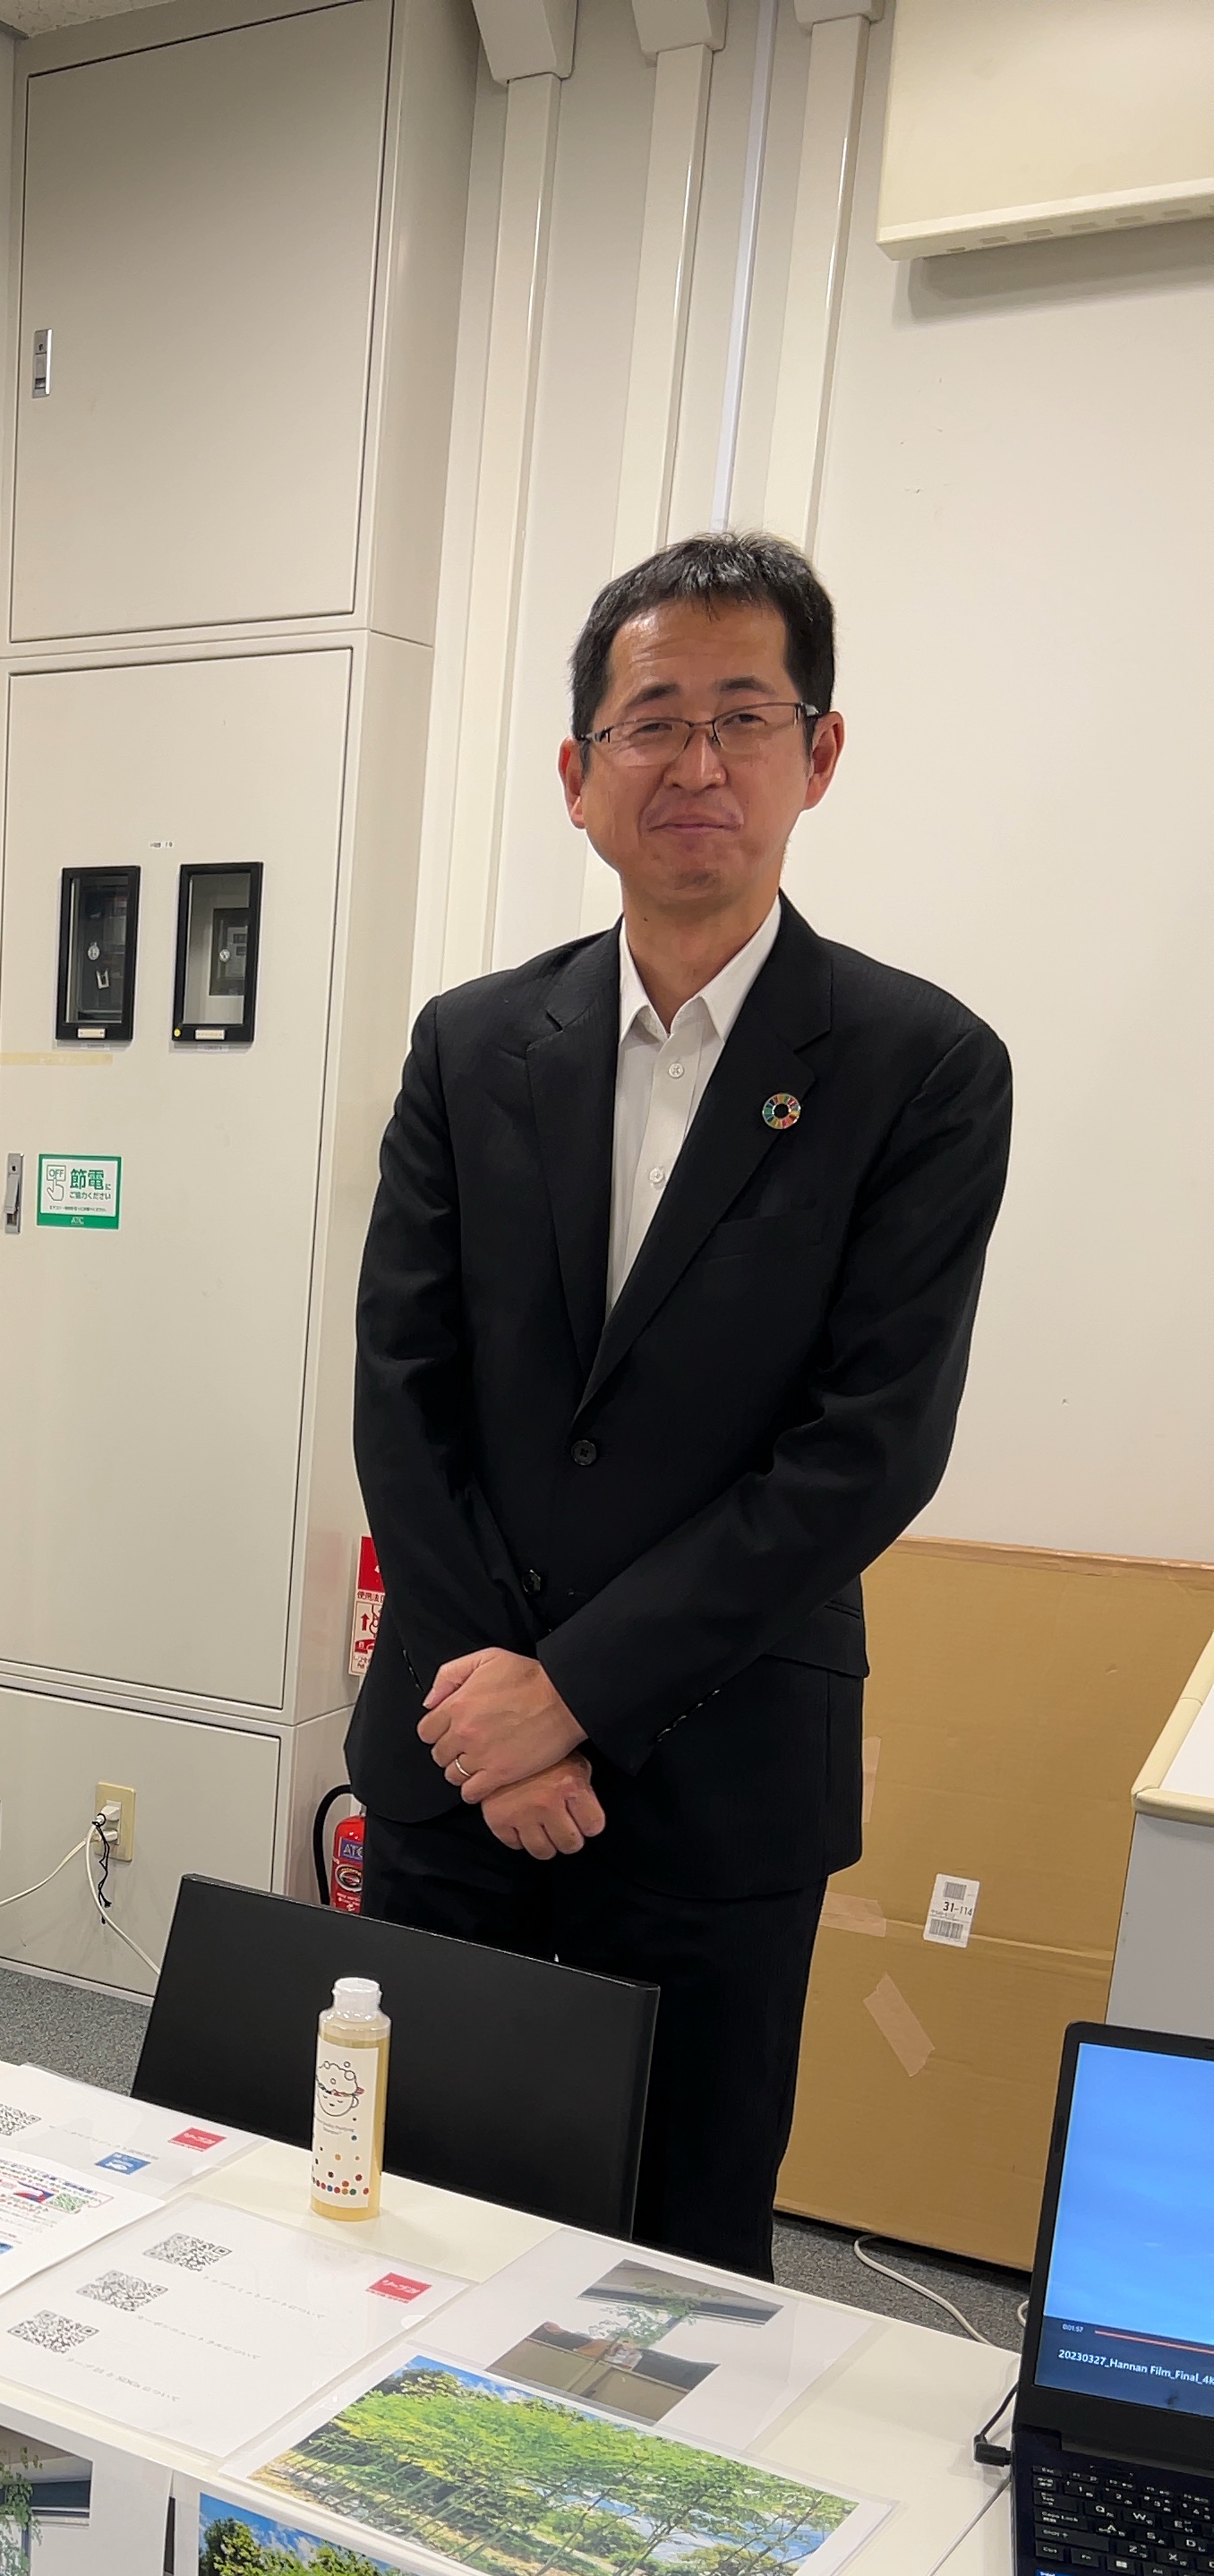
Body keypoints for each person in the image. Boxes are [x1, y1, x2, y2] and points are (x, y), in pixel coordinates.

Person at [346, 533, 1011, 2274]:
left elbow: (864, 1450)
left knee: (674, 2272)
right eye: (651, 721)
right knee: (404, 2230)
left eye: (742, 716)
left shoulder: (918, 1070)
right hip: (451, 1766)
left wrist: (574, 1693)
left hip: (712, 1783)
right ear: (578, 773)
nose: (695, 762)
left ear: (818, 753)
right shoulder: (469, 1045)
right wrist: (496, 1710)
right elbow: (402, 1390)